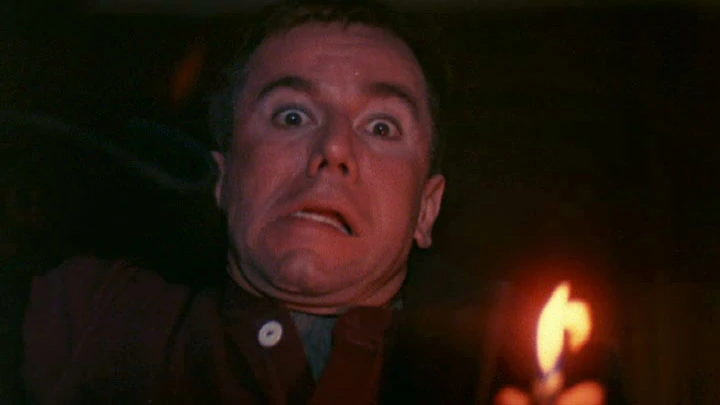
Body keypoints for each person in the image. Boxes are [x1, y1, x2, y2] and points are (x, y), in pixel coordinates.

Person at [21, 1, 609, 403]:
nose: (332, 149)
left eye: (381, 127)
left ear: (427, 211)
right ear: (223, 180)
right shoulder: (86, 317)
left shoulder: (500, 360)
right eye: (291, 116)